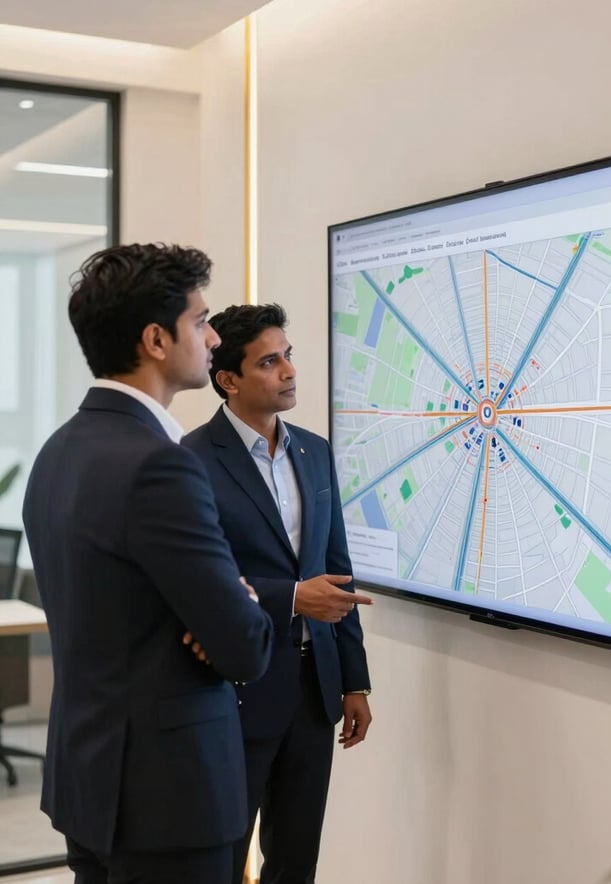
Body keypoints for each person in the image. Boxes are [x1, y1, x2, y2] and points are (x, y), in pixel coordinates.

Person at [22, 244, 274, 884]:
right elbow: (245, 646)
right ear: (156, 340)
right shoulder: (160, 465)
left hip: (89, 782)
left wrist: (217, 611)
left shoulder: (59, 450)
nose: (213, 338)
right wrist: (240, 601)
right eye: (201, 321)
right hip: (168, 799)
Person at [182, 303, 372, 884]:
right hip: (234, 691)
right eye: (269, 362)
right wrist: (290, 597)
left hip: (315, 693)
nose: (289, 371)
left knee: (296, 861)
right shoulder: (190, 460)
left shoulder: (315, 451)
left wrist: (355, 681)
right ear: (228, 379)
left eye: (287, 356)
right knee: (219, 859)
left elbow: (336, 571)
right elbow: (198, 581)